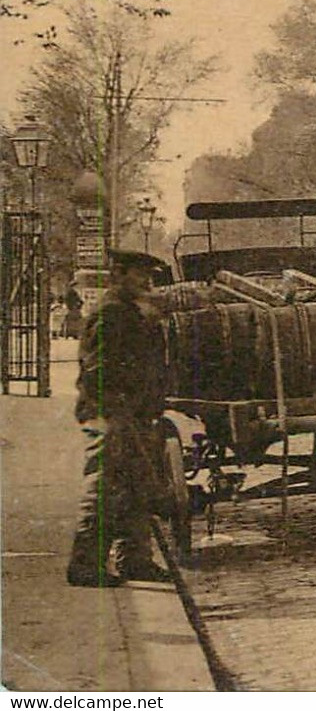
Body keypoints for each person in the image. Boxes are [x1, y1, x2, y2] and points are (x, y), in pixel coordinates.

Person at [67, 250, 171, 586]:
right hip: (110, 413)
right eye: (140, 275)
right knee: (105, 485)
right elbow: (98, 371)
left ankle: (135, 560)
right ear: (119, 274)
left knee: (136, 485)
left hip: (132, 412)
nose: (147, 282)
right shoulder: (111, 314)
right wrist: (118, 412)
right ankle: (85, 565)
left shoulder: (129, 312)